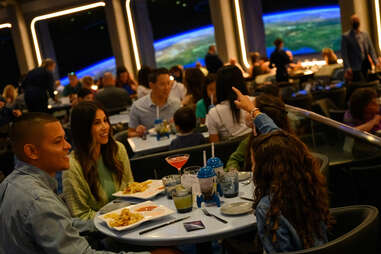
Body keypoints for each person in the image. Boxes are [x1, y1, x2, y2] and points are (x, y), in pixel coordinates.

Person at [0, 112, 149, 253]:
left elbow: (65, 224)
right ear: (32, 151)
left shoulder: (9, 183)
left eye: (65, 139)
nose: (67, 146)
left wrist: (109, 221)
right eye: (58, 142)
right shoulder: (39, 200)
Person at [232, 87, 333, 253]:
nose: (252, 166)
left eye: (254, 162)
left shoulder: (268, 207)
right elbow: (277, 134)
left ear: (265, 168)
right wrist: (253, 110)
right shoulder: (306, 188)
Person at [63, 102, 134, 219]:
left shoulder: (117, 149)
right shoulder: (72, 165)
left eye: (105, 120)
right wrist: (116, 218)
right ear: (83, 129)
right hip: (100, 231)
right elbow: (80, 215)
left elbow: (131, 188)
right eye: (97, 123)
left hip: (130, 217)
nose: (105, 127)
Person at [226, 93, 291, 171]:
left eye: (249, 110)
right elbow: (234, 159)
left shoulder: (281, 144)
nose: (246, 113)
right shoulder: (249, 140)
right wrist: (233, 169)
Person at [128, 68, 181, 137]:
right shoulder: (138, 106)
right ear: (151, 85)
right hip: (149, 145)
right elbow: (130, 133)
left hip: (173, 144)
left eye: (168, 83)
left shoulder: (176, 103)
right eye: (162, 84)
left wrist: (177, 126)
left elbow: (184, 129)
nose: (167, 87)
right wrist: (138, 132)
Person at [206, 65, 252, 142]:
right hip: (258, 150)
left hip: (230, 153)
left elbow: (214, 145)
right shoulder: (255, 101)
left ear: (219, 86)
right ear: (242, 81)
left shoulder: (214, 112)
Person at [342, 14, 379, 81]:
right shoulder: (346, 37)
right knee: (359, 83)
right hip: (354, 67)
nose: (355, 22)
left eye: (357, 20)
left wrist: (376, 62)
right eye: (354, 21)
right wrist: (348, 67)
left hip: (366, 65)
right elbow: (344, 54)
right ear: (351, 23)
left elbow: (371, 50)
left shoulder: (365, 35)